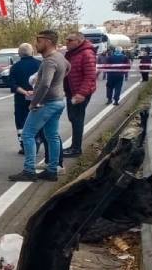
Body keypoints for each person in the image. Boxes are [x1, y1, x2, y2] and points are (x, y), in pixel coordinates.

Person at [9, 30, 70, 182]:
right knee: (52, 136)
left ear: (48, 42)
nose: (36, 44)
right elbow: (68, 68)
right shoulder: (60, 57)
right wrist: (59, 83)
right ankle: (52, 170)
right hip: (58, 101)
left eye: (39, 41)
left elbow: (45, 84)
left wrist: (34, 102)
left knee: (27, 134)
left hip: (47, 103)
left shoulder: (49, 61)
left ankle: (29, 170)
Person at [61, 32, 98, 158]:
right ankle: (74, 146)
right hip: (71, 91)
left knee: (77, 119)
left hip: (80, 92)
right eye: (66, 40)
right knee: (73, 117)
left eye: (70, 40)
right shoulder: (73, 53)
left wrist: (81, 93)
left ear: (79, 41)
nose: (67, 42)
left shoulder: (86, 53)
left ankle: (76, 148)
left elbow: (90, 76)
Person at [9, 43, 41, 154]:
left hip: (20, 99)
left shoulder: (15, 67)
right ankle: (36, 142)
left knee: (21, 123)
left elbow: (12, 84)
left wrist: (24, 92)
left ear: (19, 54)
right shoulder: (40, 64)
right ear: (32, 52)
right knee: (36, 121)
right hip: (38, 98)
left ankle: (25, 146)